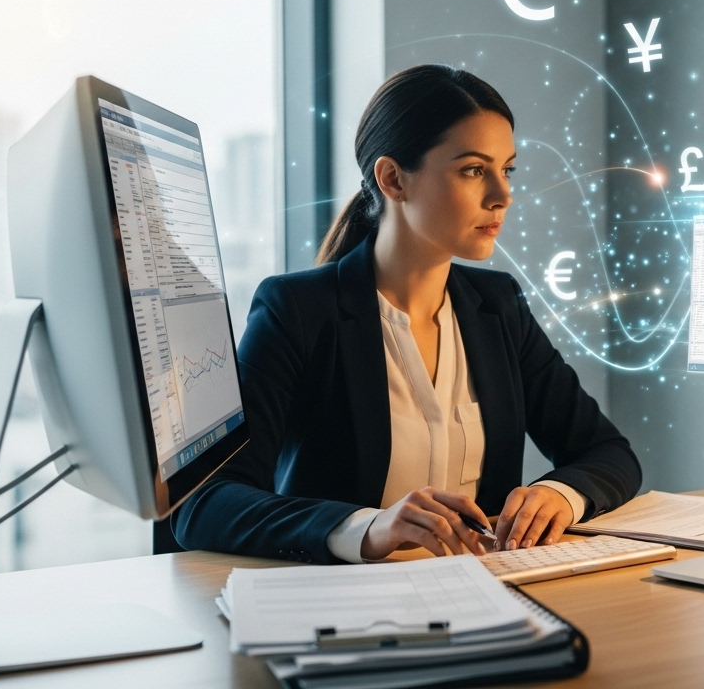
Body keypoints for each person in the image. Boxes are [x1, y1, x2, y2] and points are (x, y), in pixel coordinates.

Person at [172, 64, 641, 564]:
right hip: (350, 607)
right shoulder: (299, 310)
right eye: (473, 170)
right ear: (393, 179)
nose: (502, 196)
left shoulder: (498, 305)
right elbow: (203, 501)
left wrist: (560, 496)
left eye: (507, 170)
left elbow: (608, 453)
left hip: (491, 596)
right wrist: (366, 527)